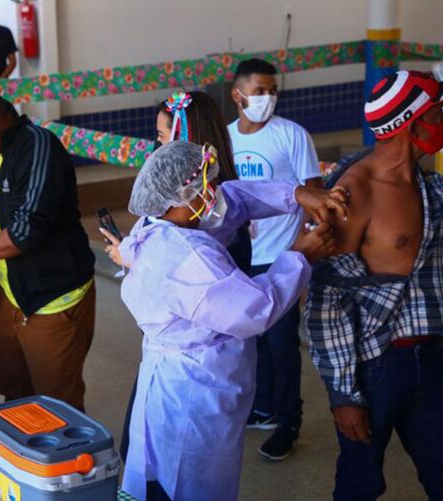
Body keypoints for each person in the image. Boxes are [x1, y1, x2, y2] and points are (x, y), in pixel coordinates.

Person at [110, 141, 343, 501]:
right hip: (193, 392)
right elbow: (255, 309)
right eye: (208, 186)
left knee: (162, 477)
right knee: (188, 481)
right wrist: (302, 254)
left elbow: (235, 200)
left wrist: (296, 194)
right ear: (183, 195)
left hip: (176, 376)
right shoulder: (185, 256)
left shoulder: (163, 223)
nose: (216, 193)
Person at [306, 70, 443, 501]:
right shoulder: (354, 191)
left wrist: (442, 344)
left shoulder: (427, 186)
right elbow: (327, 299)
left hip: (429, 357)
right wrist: (343, 393)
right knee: (359, 484)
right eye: (437, 112)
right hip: (374, 367)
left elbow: (429, 276)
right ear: (410, 124)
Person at [0, 81, 96, 410]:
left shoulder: (38, 147)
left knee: (58, 406)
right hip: (8, 292)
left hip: (51, 297)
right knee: (14, 394)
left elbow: (25, 232)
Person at [115, 90, 253, 461]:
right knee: (150, 451)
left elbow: (183, 274)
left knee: (174, 459)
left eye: (163, 138)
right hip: (172, 360)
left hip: (193, 370)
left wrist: (136, 260)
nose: (158, 151)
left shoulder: (208, 216)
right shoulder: (187, 207)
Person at [228, 57, 321, 460]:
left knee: (282, 343)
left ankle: (288, 421)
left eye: (272, 91)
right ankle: (262, 407)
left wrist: (304, 243)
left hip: (281, 254)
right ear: (238, 95)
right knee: (251, 337)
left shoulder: (291, 135)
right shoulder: (225, 138)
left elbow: (315, 192)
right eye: (259, 91)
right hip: (240, 254)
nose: (267, 98)